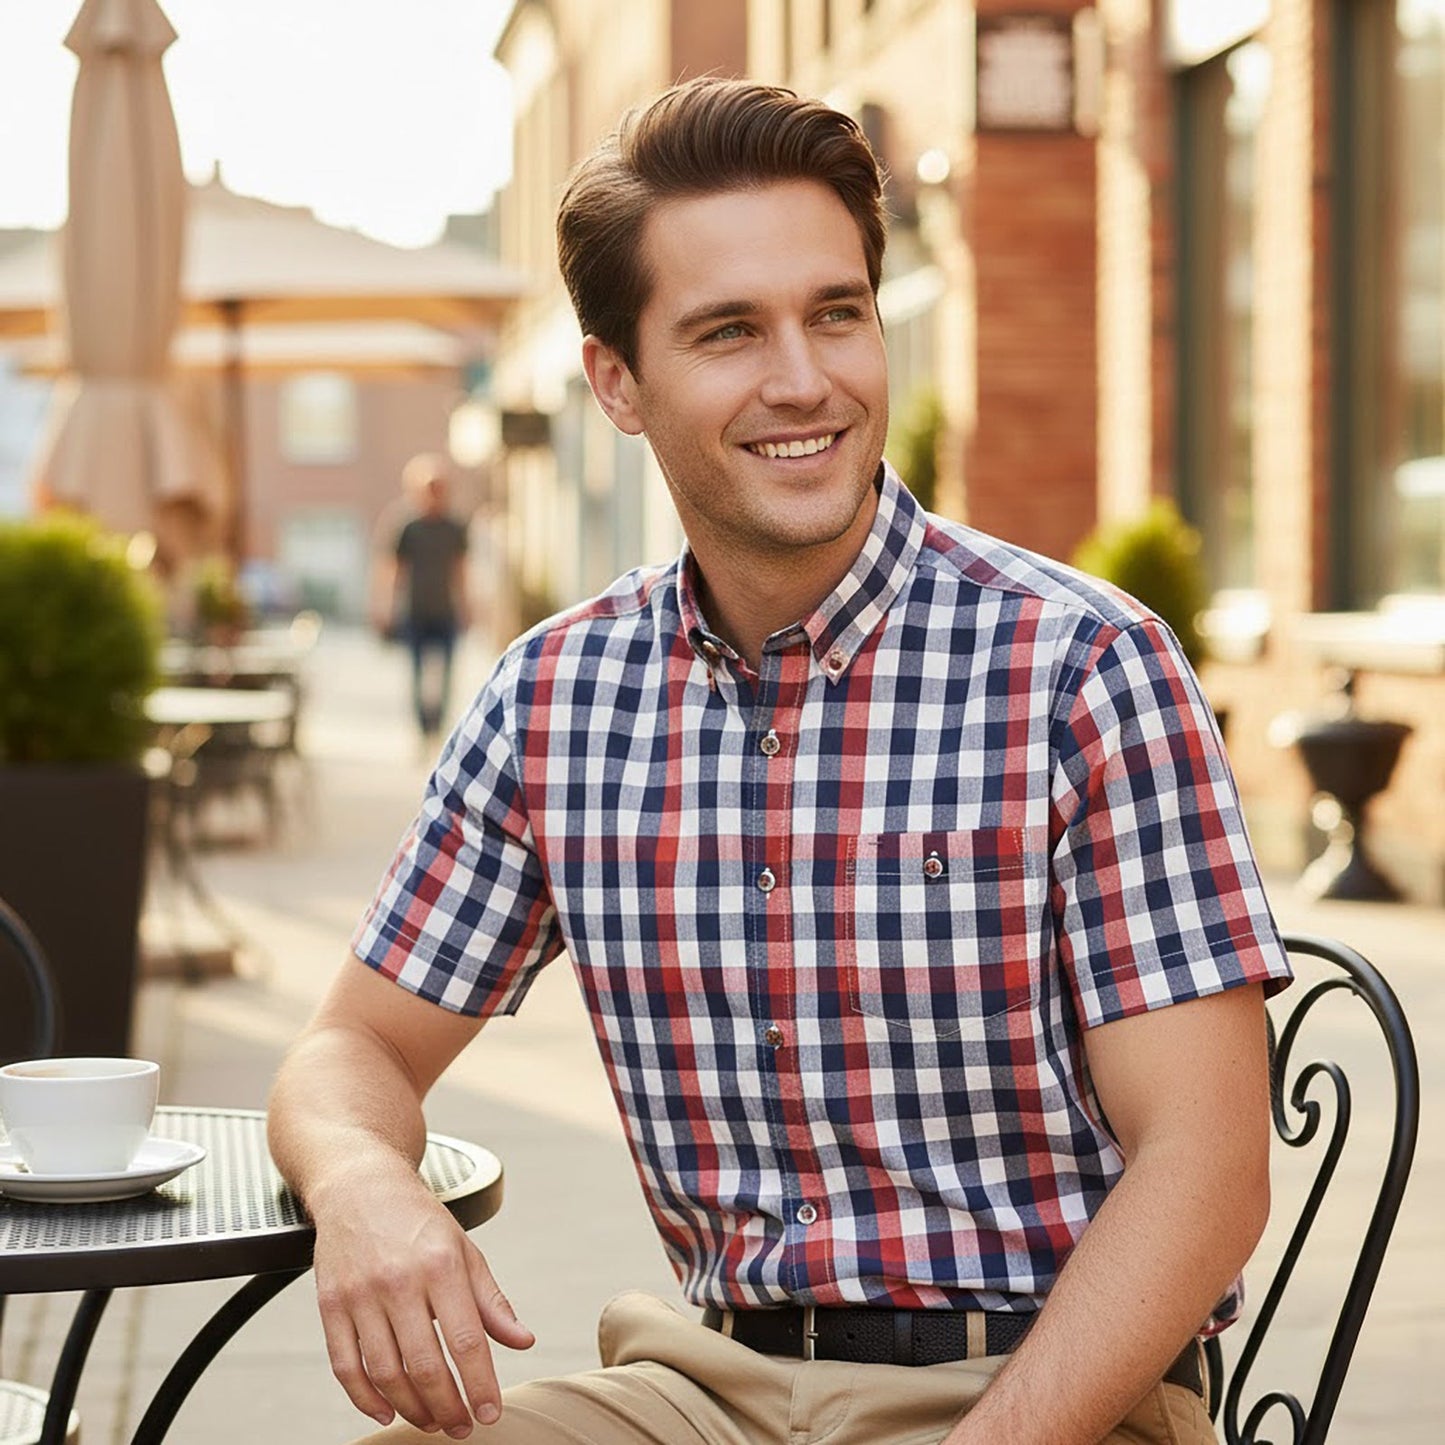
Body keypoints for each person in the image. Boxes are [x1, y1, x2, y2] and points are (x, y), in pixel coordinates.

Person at [268, 78, 1293, 1445]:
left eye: (836, 314)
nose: (802, 379)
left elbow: (1210, 1171)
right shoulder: (556, 698)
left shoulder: (1080, 669)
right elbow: (350, 1046)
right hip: (707, 1385)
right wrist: (361, 1185)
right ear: (617, 383)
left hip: (1045, 1389)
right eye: (728, 332)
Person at [374, 454, 471, 743]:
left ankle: (438, 728)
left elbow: (460, 571)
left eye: (440, 487)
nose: (435, 494)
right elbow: (393, 571)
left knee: (445, 677)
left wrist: (466, 607)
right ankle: (422, 730)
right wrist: (386, 607)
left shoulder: (455, 528)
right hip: (415, 612)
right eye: (430, 487)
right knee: (417, 677)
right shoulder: (407, 527)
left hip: (445, 612)